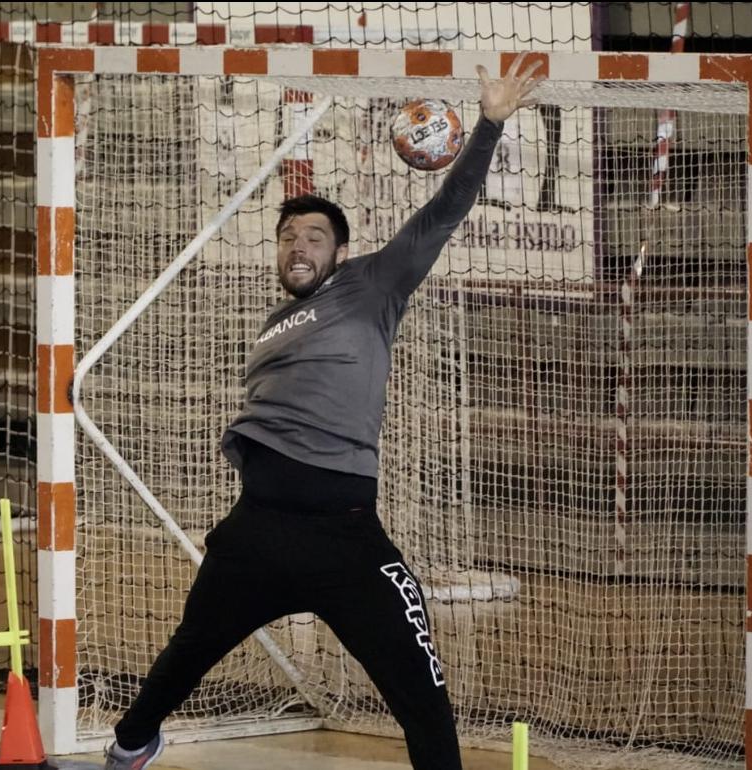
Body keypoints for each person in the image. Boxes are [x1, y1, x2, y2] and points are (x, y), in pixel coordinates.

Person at [104, 57, 544, 770]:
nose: (297, 244)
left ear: (340, 251)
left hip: (346, 540)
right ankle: (128, 747)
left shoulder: (372, 286)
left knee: (422, 695)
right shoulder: (277, 321)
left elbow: (443, 213)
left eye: (312, 235)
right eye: (287, 237)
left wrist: (488, 124)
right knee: (184, 657)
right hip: (257, 534)